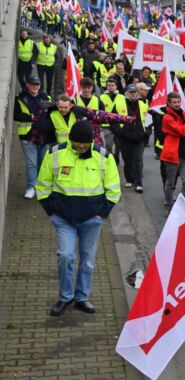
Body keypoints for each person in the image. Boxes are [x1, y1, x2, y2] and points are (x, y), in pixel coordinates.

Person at [36, 120, 121, 316]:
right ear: (70, 139)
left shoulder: (104, 157)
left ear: (91, 141)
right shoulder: (54, 154)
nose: (81, 146)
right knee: (65, 256)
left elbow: (113, 190)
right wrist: (53, 214)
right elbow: (43, 186)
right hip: (64, 220)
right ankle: (65, 297)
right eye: (77, 143)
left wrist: (101, 215)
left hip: (92, 221)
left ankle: (81, 297)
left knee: (87, 261)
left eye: (85, 143)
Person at [13, 74, 50, 198]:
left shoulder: (46, 97)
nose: (35, 87)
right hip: (27, 136)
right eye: (32, 84)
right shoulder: (20, 98)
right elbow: (15, 116)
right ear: (27, 85)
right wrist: (31, 117)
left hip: (43, 135)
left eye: (37, 84)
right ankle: (31, 187)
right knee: (31, 164)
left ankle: (40, 186)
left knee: (42, 163)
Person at [160, 91, 185, 209]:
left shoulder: (183, 114)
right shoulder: (167, 117)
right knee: (170, 183)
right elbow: (182, 131)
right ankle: (168, 205)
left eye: (178, 102)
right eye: (174, 102)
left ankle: (183, 206)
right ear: (168, 103)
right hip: (172, 155)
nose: (177, 104)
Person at [115, 84, 149, 193]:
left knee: (137, 160)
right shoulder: (119, 104)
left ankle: (139, 183)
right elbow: (112, 120)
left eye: (134, 92)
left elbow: (149, 121)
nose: (133, 94)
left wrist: (146, 133)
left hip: (139, 138)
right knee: (127, 160)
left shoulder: (143, 104)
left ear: (137, 93)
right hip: (125, 138)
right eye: (130, 92)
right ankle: (129, 179)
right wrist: (120, 133)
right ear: (126, 93)